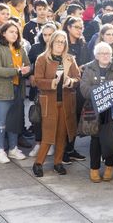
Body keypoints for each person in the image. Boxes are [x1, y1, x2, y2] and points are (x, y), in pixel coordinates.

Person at [32, 30, 81, 177]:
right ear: (51, 42)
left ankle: (58, 162)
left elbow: (78, 77)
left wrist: (70, 81)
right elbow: (38, 81)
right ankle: (38, 163)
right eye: (58, 41)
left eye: (63, 41)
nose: (60, 44)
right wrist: (53, 82)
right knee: (48, 135)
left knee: (62, 135)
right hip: (49, 102)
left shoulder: (69, 59)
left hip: (65, 102)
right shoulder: (42, 59)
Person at [80, 42, 113, 182]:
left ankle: (109, 167)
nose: (105, 56)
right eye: (102, 53)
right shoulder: (89, 68)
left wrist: (110, 89)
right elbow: (84, 89)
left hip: (111, 110)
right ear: (96, 55)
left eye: (107, 53)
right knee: (95, 140)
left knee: (110, 138)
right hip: (94, 110)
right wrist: (102, 91)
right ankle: (94, 169)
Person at [0, 21, 30, 164]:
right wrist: (17, 71)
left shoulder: (21, 49)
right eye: (11, 31)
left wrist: (27, 70)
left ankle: (13, 149)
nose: (14, 34)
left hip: (18, 89)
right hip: (1, 91)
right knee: (1, 121)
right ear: (3, 33)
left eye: (16, 32)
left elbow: (28, 64)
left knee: (14, 120)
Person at [28, 23, 57, 157]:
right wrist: (31, 75)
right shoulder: (35, 48)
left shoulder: (59, 48)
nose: (47, 37)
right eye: (44, 34)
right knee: (38, 118)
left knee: (51, 118)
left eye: (50, 34)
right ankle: (39, 143)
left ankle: (50, 143)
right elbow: (28, 65)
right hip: (39, 89)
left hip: (54, 88)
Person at [62, 16, 88, 164]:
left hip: (80, 87)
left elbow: (88, 62)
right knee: (66, 119)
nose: (79, 30)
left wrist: (82, 68)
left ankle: (71, 149)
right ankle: (63, 150)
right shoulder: (62, 43)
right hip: (66, 87)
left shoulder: (83, 44)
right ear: (68, 27)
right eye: (76, 27)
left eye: (81, 27)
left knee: (76, 118)